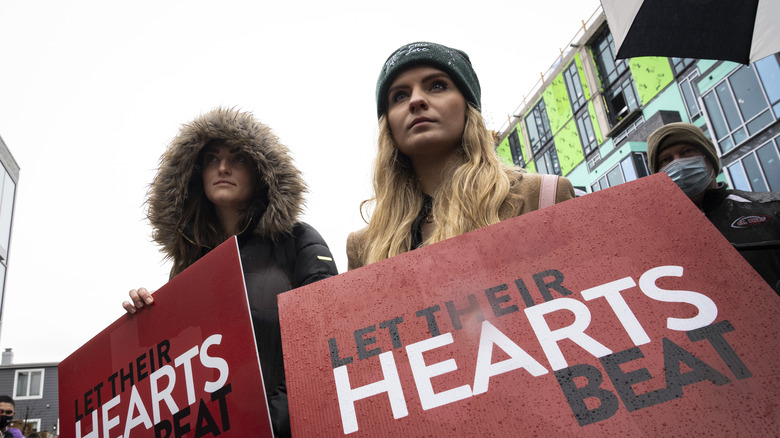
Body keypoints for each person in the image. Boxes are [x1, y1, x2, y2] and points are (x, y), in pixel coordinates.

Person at [122, 107, 338, 437]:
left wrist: (271, 421)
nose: (223, 167)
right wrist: (146, 323)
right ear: (197, 174)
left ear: (259, 171)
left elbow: (326, 339)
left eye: (237, 158)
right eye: (212, 158)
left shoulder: (298, 240)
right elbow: (179, 372)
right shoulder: (185, 270)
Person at [347, 41, 575, 269]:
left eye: (436, 85)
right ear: (387, 125)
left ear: (469, 107)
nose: (416, 100)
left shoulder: (546, 197)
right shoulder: (363, 247)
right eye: (399, 96)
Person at [646, 122, 780, 293]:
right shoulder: (658, 238)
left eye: (687, 151)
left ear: (708, 157)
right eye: (666, 159)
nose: (678, 163)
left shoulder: (771, 206)